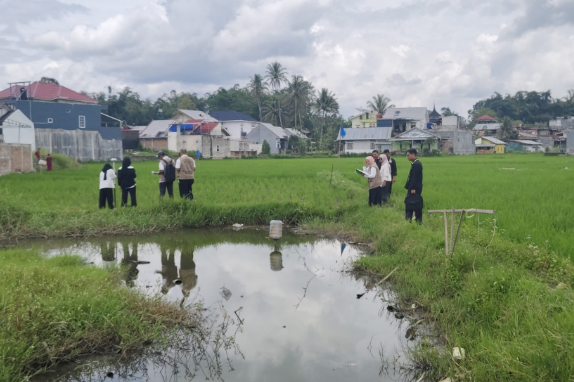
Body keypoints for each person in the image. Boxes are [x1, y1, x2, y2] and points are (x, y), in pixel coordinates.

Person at [404, 148, 423, 223]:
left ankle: (417, 219)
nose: (407, 157)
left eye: (408, 155)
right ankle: (410, 218)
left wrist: (413, 188)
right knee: (411, 202)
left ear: (413, 155)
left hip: (414, 188)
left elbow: (415, 178)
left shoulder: (417, 164)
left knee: (414, 203)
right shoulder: (415, 163)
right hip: (413, 187)